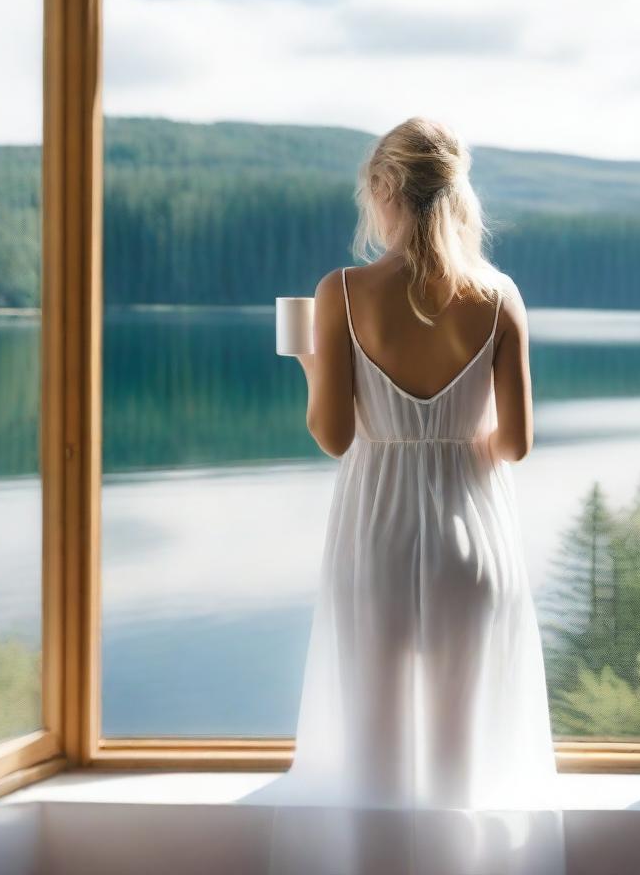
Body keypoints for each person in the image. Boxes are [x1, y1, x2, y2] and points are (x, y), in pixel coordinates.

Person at [241, 117, 566, 875]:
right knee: (461, 765)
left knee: (376, 757)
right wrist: (454, 442)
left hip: (377, 536)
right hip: (473, 539)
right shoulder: (498, 295)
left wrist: (311, 364)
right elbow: (515, 444)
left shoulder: (344, 292)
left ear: (385, 190)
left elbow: (333, 435)